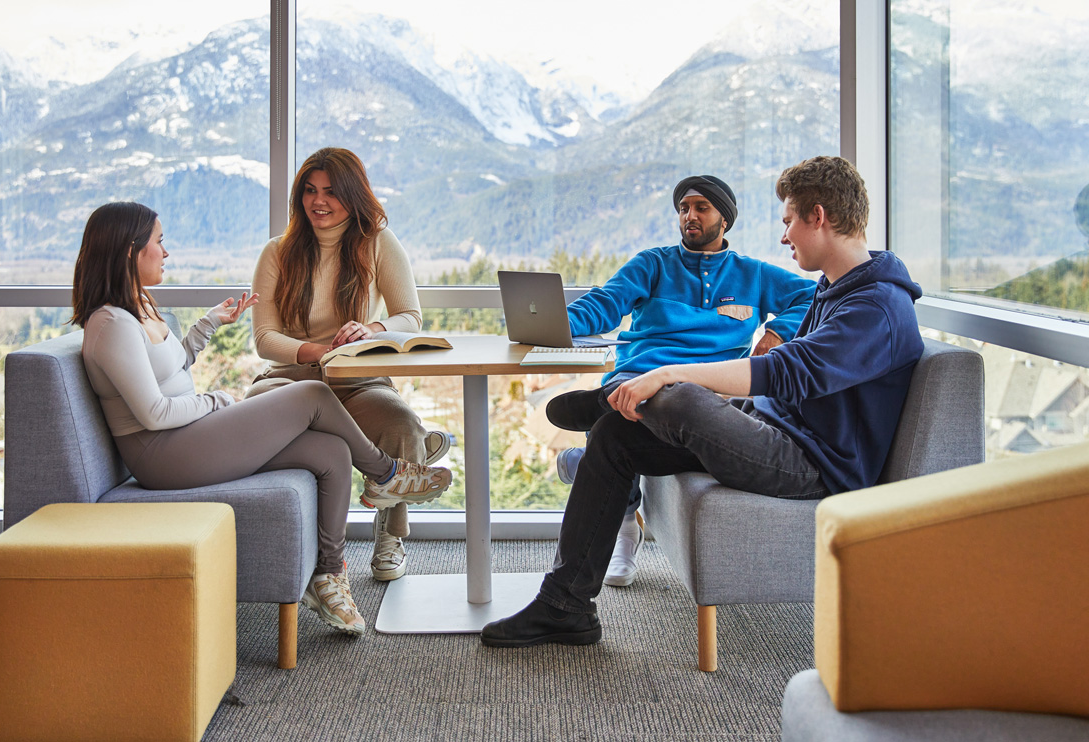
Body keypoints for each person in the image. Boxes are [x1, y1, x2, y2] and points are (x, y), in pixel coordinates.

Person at [482, 156, 924, 647]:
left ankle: (613, 398)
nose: (784, 237)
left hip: (812, 463)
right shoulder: (836, 290)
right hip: (773, 428)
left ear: (817, 216)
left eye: (788, 222)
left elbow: (786, 372)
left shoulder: (876, 307)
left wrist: (667, 374)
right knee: (614, 436)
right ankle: (564, 606)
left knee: (682, 401)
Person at [71, 201, 453, 637]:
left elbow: (172, 366)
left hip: (184, 439)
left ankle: (328, 575)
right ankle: (387, 471)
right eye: (159, 242)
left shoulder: (139, 306)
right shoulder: (110, 324)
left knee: (330, 451)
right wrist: (218, 401)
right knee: (311, 392)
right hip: (162, 455)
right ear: (129, 252)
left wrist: (210, 323)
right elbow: (155, 414)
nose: (166, 252)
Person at [546, 174, 816, 586]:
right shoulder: (652, 264)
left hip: (706, 388)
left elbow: (812, 296)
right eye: (683, 208)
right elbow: (606, 303)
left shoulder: (754, 275)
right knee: (626, 406)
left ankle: (590, 439)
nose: (689, 216)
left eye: (700, 208)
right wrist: (550, 325)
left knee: (624, 411)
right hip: (640, 375)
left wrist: (777, 333)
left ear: (724, 219)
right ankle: (624, 528)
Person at [248, 147, 448, 583]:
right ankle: (410, 455)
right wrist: (317, 352)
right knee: (256, 411)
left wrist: (372, 329)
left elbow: (410, 318)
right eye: (310, 191)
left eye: (331, 192)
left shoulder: (377, 242)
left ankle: (389, 536)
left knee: (398, 421)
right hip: (289, 381)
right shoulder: (276, 252)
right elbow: (265, 339)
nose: (318, 202)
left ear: (354, 195)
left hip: (357, 379)